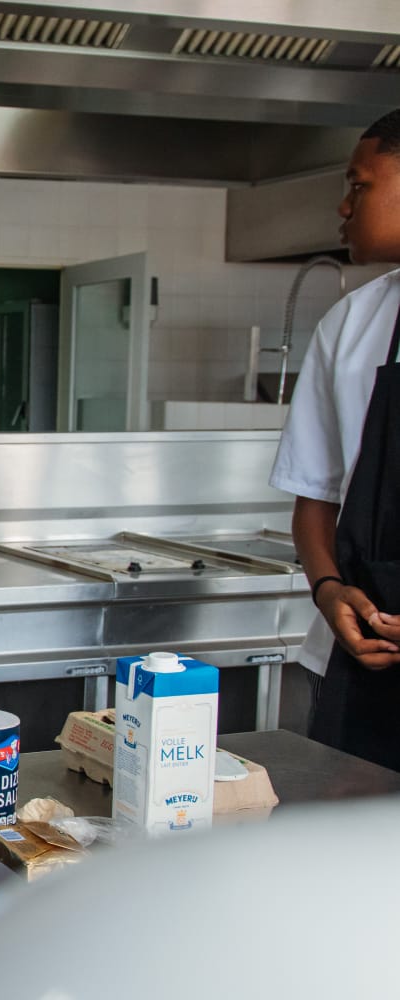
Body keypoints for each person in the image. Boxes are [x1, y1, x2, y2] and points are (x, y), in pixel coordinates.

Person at [270, 107, 400, 770]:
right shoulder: (352, 325)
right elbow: (315, 496)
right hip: (362, 672)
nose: (344, 206)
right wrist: (327, 589)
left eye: (361, 184)